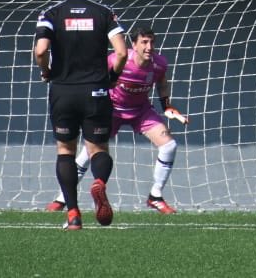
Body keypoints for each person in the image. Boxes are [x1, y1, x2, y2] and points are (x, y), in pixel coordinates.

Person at [46, 28, 188, 215]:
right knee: (88, 154)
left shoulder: (159, 63)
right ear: (134, 45)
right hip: (112, 110)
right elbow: (98, 78)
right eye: (144, 42)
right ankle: (62, 198)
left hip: (141, 111)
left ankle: (155, 196)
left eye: (152, 42)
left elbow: (161, 82)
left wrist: (167, 105)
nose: (149, 47)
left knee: (169, 145)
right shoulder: (116, 60)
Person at [33, 0, 129, 230]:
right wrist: (113, 77)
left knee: (66, 151)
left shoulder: (51, 13)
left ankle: (73, 213)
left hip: (63, 91)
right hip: (96, 90)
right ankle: (99, 182)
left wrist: (47, 71)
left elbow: (41, 51)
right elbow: (121, 52)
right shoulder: (104, 12)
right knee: (97, 149)